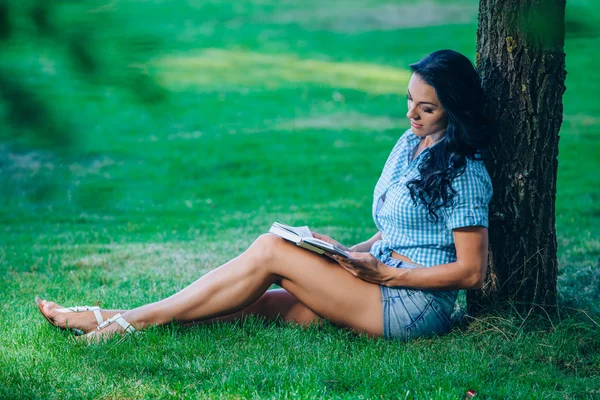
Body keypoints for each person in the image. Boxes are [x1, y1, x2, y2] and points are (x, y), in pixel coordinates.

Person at [36, 49, 493, 342]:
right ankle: (112, 318)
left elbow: (472, 272)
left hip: (411, 307)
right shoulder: (410, 144)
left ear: (453, 110)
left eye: (426, 108)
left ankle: (121, 325)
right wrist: (345, 254)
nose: (411, 113)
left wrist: (388, 275)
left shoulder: (466, 172)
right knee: (252, 303)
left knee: (271, 250)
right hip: (378, 278)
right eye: (409, 100)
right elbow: (398, 228)